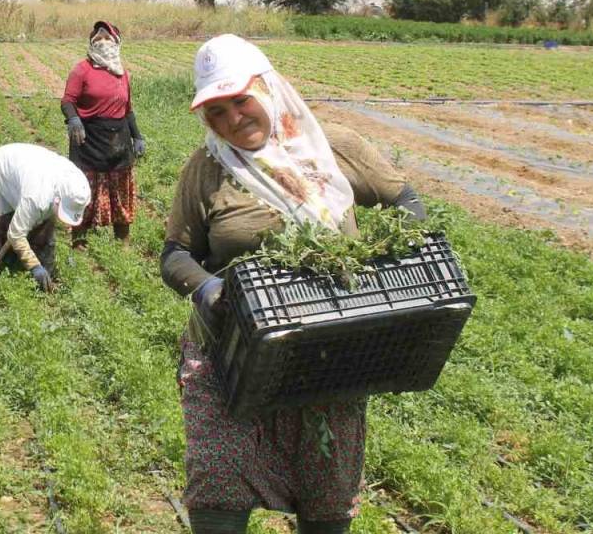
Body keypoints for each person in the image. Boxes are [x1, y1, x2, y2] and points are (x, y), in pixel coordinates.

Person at [159, 35, 426, 534]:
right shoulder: (208, 168)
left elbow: (405, 203)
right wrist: (208, 289)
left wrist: (387, 265)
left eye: (241, 101)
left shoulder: (335, 148)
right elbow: (175, 253)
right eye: (215, 111)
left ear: (268, 88)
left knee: (327, 491)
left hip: (327, 355)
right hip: (232, 354)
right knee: (219, 483)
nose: (232, 120)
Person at [60, 20, 145, 247]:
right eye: (98, 38)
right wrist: (74, 118)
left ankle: (122, 245)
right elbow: (68, 101)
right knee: (83, 194)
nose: (103, 40)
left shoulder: (122, 74)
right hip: (88, 141)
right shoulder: (82, 69)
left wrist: (137, 136)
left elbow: (128, 110)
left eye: (108, 37)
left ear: (117, 43)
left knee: (120, 195)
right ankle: (79, 244)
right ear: (91, 43)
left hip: (118, 142)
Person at [0, 143, 91, 292]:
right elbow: (15, 235)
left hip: (30, 173)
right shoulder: (36, 197)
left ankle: (44, 279)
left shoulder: (78, 185)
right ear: (58, 200)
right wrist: (35, 267)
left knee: (42, 234)